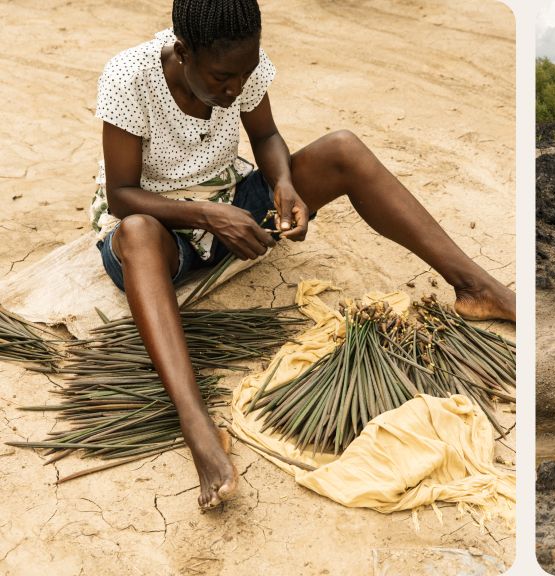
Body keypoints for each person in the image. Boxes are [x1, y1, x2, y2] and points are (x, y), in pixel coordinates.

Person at [92, 0, 516, 509]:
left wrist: (284, 185)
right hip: (162, 230)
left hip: (232, 206)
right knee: (137, 231)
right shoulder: (129, 77)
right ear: (183, 52)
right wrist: (208, 217)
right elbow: (121, 193)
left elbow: (266, 135)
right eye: (223, 78)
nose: (234, 90)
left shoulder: (239, 61)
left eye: (244, 76)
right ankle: (198, 425)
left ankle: (474, 286)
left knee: (343, 148)